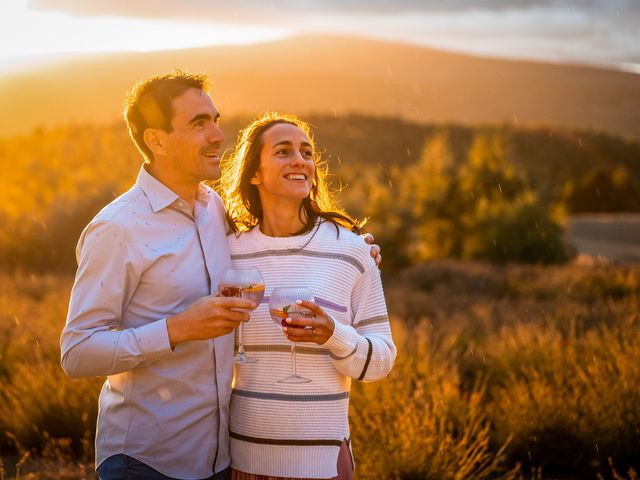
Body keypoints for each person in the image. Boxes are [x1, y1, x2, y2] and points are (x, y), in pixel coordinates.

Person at [60, 71, 381, 480]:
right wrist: (176, 329)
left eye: (215, 119)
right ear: (156, 140)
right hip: (144, 461)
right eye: (199, 124)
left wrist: (351, 250)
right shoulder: (117, 228)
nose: (217, 135)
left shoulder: (215, 210)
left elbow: (275, 243)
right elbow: (77, 352)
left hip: (220, 459)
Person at [220, 112, 396, 480]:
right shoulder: (227, 252)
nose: (301, 160)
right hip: (240, 461)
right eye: (283, 152)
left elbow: (382, 360)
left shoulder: (350, 250)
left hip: (322, 465)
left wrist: (334, 335)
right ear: (254, 173)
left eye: (307, 152)